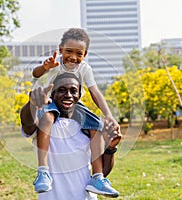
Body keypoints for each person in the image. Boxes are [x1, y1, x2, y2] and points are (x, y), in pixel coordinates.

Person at [31, 28, 121, 195]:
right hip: (51, 101)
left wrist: (108, 115)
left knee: (97, 126)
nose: (73, 57)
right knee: (48, 118)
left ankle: (98, 177)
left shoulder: (85, 69)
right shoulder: (55, 63)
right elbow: (35, 74)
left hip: (74, 105)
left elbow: (95, 92)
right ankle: (43, 171)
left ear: (85, 54)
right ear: (60, 50)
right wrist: (45, 67)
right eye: (69, 51)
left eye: (78, 53)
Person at [20, 73, 122, 199]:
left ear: (79, 96)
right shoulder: (45, 123)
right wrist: (32, 105)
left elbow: (104, 171)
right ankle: (43, 173)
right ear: (53, 94)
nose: (68, 95)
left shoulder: (89, 128)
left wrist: (111, 148)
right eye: (62, 90)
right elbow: (27, 123)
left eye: (73, 91)